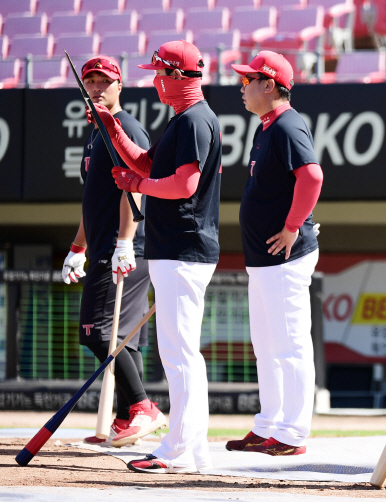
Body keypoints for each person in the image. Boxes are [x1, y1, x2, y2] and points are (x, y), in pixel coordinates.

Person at [90, 40, 222, 474]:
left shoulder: (194, 120)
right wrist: (112, 129)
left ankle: (178, 450)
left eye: (161, 73)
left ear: (179, 77)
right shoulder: (183, 119)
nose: (155, 81)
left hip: (184, 248)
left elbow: (182, 185)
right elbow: (147, 164)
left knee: (180, 354)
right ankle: (191, 448)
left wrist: (136, 184)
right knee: (179, 353)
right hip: (178, 248)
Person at [62, 55, 166, 448]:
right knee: (122, 339)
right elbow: (94, 201)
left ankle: (142, 406)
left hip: (125, 248)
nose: (96, 87)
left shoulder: (125, 127)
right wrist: (77, 248)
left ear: (119, 85)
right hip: (105, 245)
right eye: (89, 82)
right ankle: (127, 419)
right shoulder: (95, 133)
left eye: (104, 81)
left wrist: (124, 241)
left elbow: (134, 186)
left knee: (97, 332)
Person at [225, 51, 323, 456]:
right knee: (266, 347)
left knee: (290, 345)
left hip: (286, 257)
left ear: (269, 84)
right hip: (264, 260)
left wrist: (292, 226)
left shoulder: (287, 124)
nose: (241, 87)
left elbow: (312, 176)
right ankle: (270, 424)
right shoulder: (267, 127)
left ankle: (293, 434)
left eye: (248, 80)